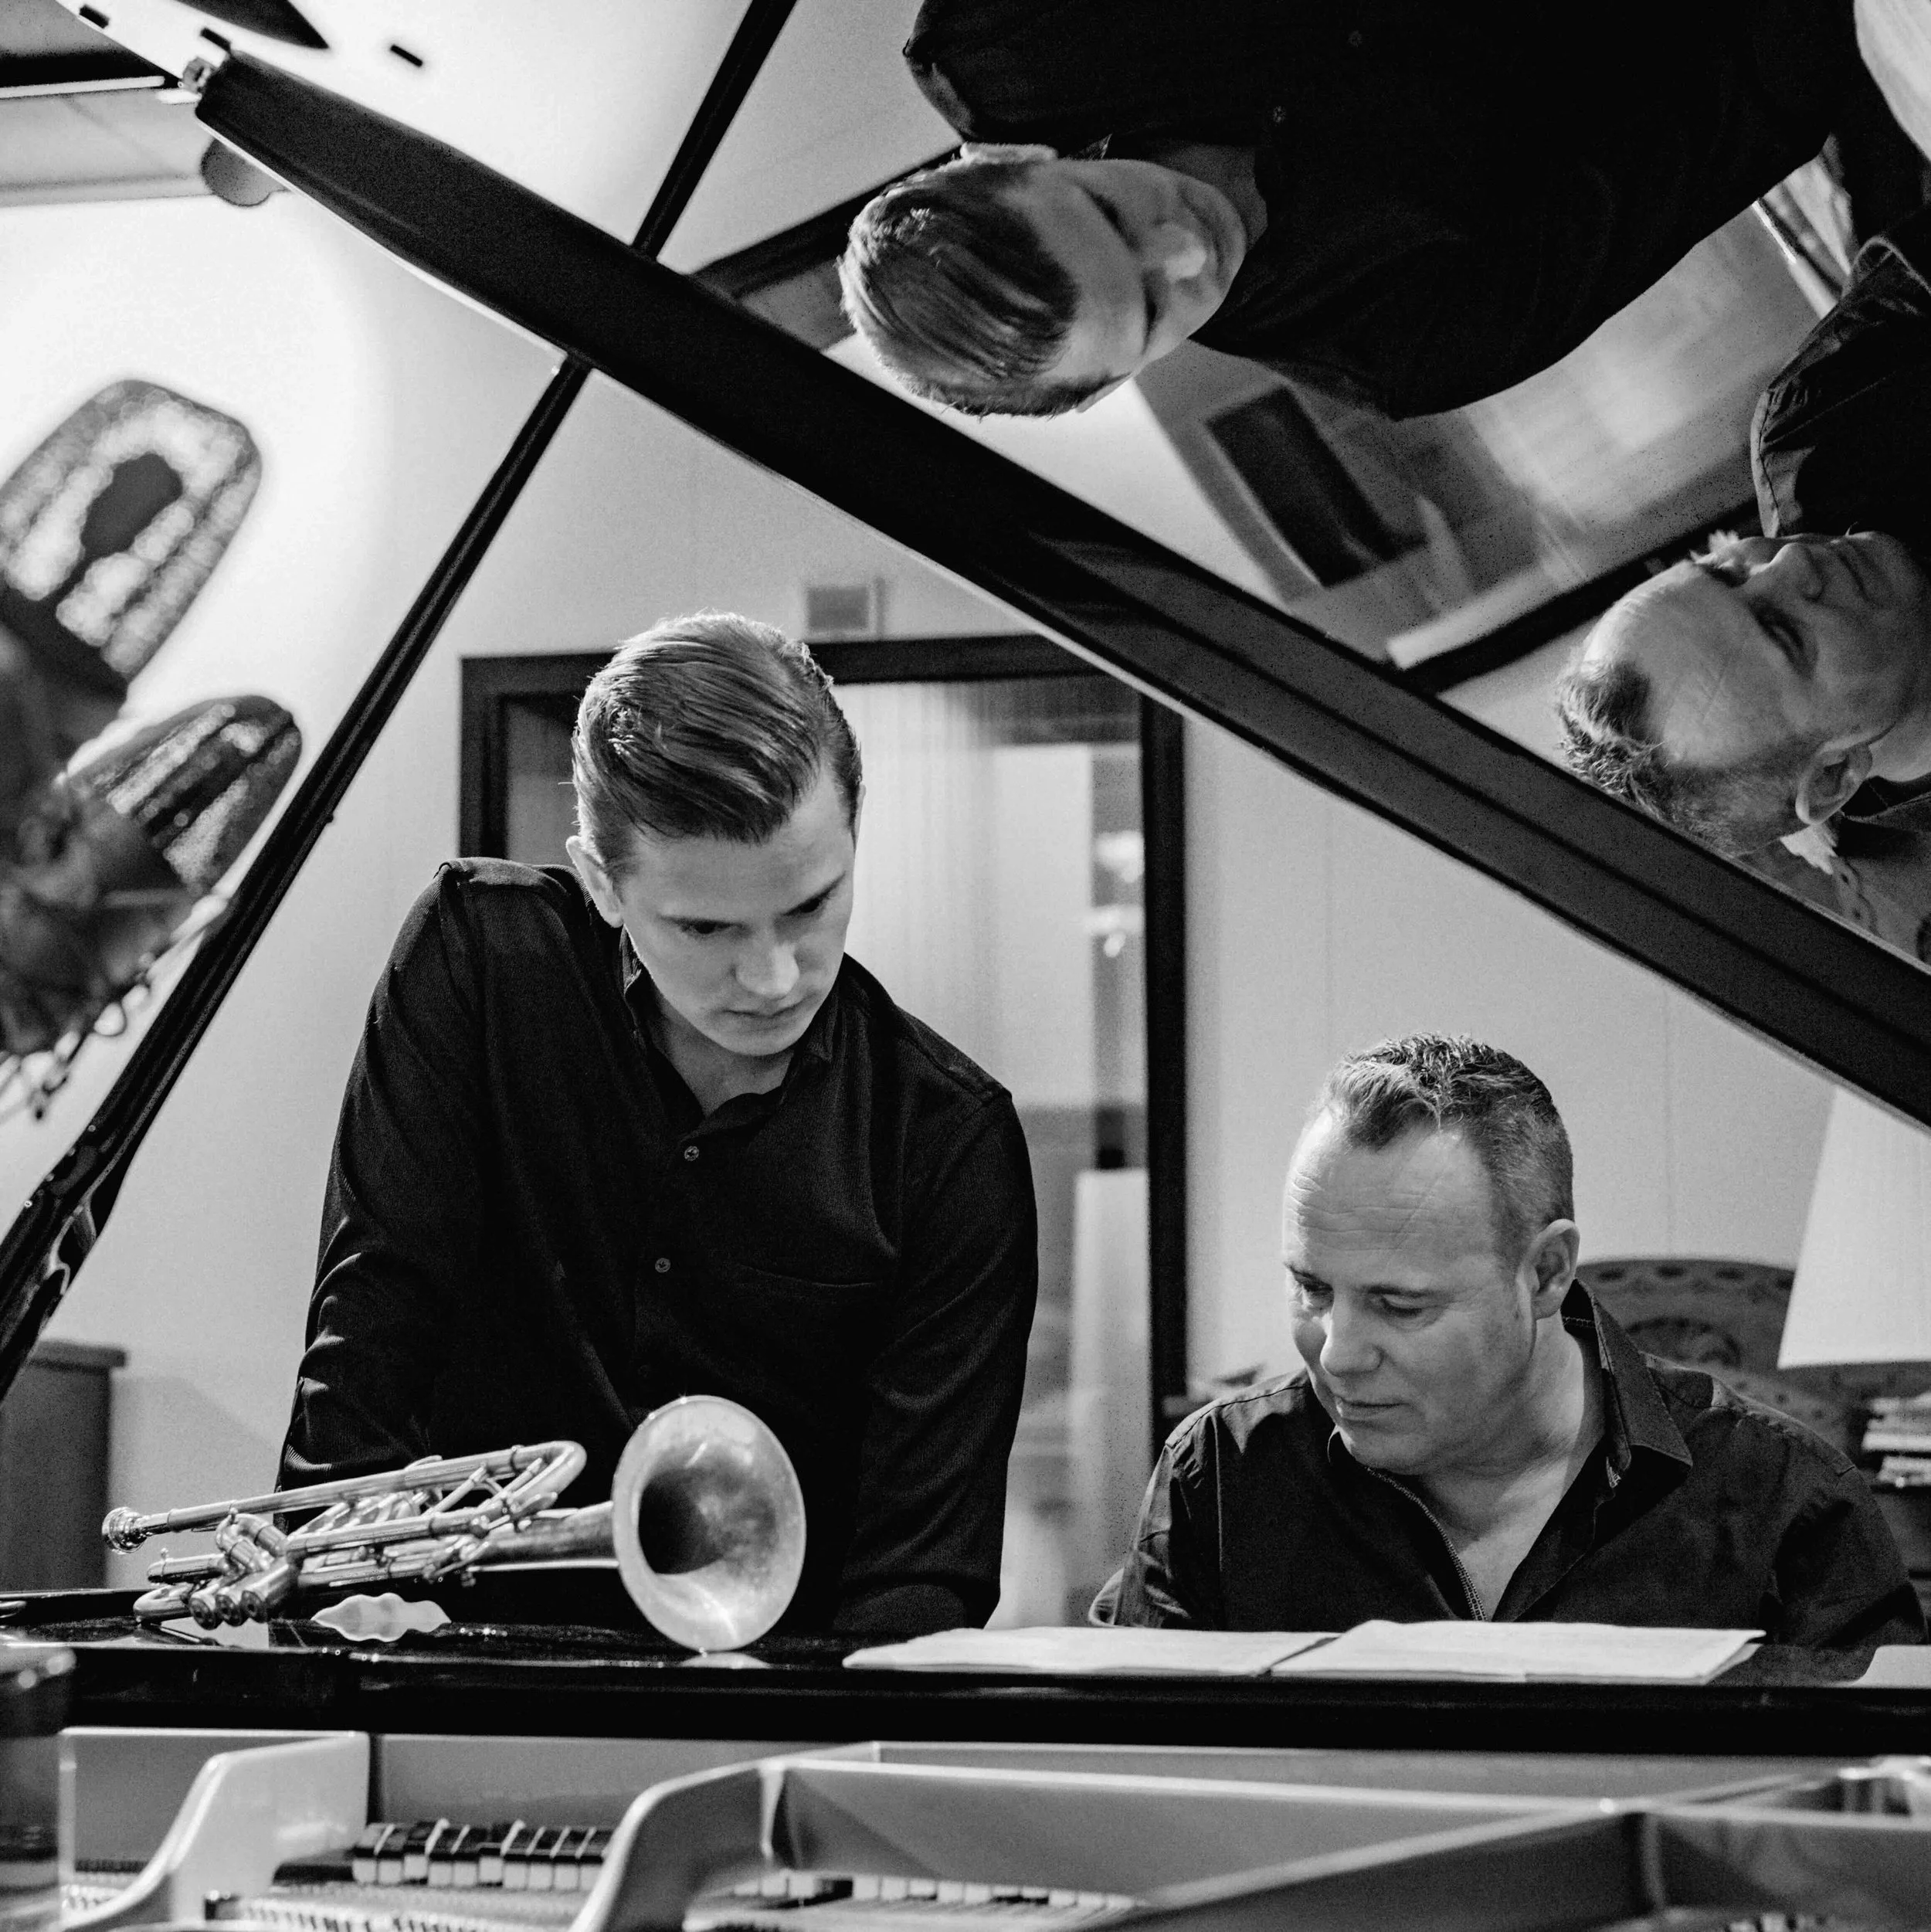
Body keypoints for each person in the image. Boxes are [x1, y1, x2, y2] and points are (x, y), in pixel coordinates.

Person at [279, 613, 1039, 1637]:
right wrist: (346, 1597)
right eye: (707, 927)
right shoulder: (480, 969)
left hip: (769, 1717)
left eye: (811, 905)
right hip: (436, 1675)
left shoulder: (950, 1142)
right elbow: (368, 1349)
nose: (773, 978)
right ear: (601, 879)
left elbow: (918, 1582)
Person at [1095, 1035, 1921, 1647]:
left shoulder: (1782, 1500)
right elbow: (1119, 1786)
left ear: (1545, 1272)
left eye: (1399, 1303)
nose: (1338, 1351)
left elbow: (1872, 1845)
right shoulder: (1226, 1478)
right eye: (1311, 1288)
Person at [841, 0, 1885, 420]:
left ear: (1014, 159)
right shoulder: (1409, 341)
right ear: (1126, 376)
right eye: (1154, 313)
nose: (1186, 247)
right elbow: (1748, 109)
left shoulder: (1008, 29)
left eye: (1111, 215)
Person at [1559, 202, 1931, 859]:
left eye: (1727, 569)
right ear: (1836, 776)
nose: (1790, 565)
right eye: (1786, 635)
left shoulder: (1821, 431)